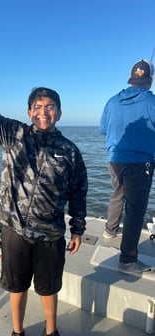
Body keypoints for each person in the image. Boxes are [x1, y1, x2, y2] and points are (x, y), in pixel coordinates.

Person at [0, 44, 88, 336]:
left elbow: (78, 192)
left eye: (50, 107)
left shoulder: (70, 151)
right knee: (16, 286)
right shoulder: (13, 134)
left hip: (51, 233)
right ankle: (17, 332)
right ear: (29, 111)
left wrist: (78, 228)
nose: (43, 112)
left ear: (59, 112)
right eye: (37, 107)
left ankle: (51, 331)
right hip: (14, 229)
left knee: (48, 288)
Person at [100, 59, 155, 274]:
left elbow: (104, 129)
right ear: (149, 80)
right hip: (140, 163)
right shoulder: (152, 102)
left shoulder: (112, 101)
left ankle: (110, 230)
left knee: (117, 194)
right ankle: (128, 260)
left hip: (115, 159)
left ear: (131, 79)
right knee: (135, 210)